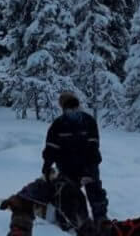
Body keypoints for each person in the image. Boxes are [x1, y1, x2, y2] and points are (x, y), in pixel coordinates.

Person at [41, 92, 107, 224]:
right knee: (66, 193)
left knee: (95, 192)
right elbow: (51, 148)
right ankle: (68, 221)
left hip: (88, 164)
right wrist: (47, 166)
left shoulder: (89, 122)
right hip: (67, 168)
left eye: (75, 107)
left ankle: (101, 221)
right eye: (69, 108)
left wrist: (89, 171)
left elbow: (93, 148)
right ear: (63, 109)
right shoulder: (57, 125)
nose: (73, 111)